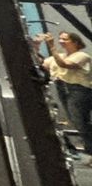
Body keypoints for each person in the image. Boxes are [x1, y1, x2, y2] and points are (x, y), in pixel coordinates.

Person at [36, 30, 92, 164]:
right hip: (63, 90)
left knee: (80, 122)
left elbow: (65, 64)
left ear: (75, 42)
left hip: (79, 90)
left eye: (65, 39)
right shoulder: (58, 56)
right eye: (60, 39)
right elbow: (41, 64)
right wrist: (35, 46)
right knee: (77, 122)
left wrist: (51, 46)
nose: (61, 41)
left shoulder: (82, 56)